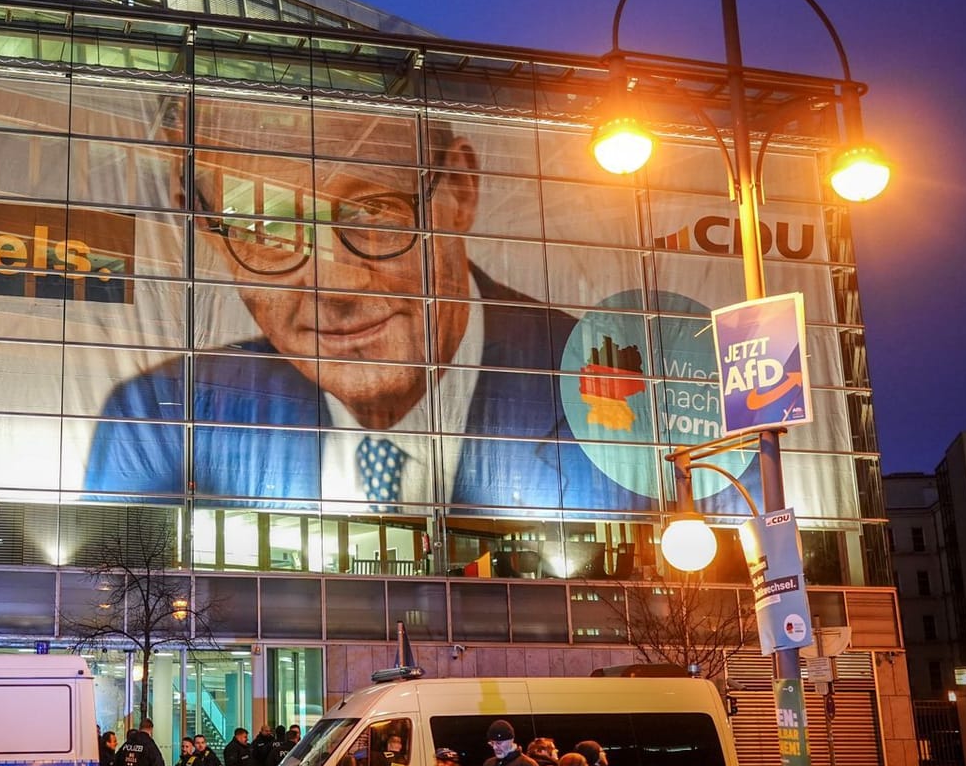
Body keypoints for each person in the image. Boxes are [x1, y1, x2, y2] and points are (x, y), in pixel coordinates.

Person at [83, 116, 647, 514]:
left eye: (374, 213)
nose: (338, 283)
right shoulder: (159, 420)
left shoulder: (629, 403)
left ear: (459, 187)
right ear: (205, 227)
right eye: (267, 228)